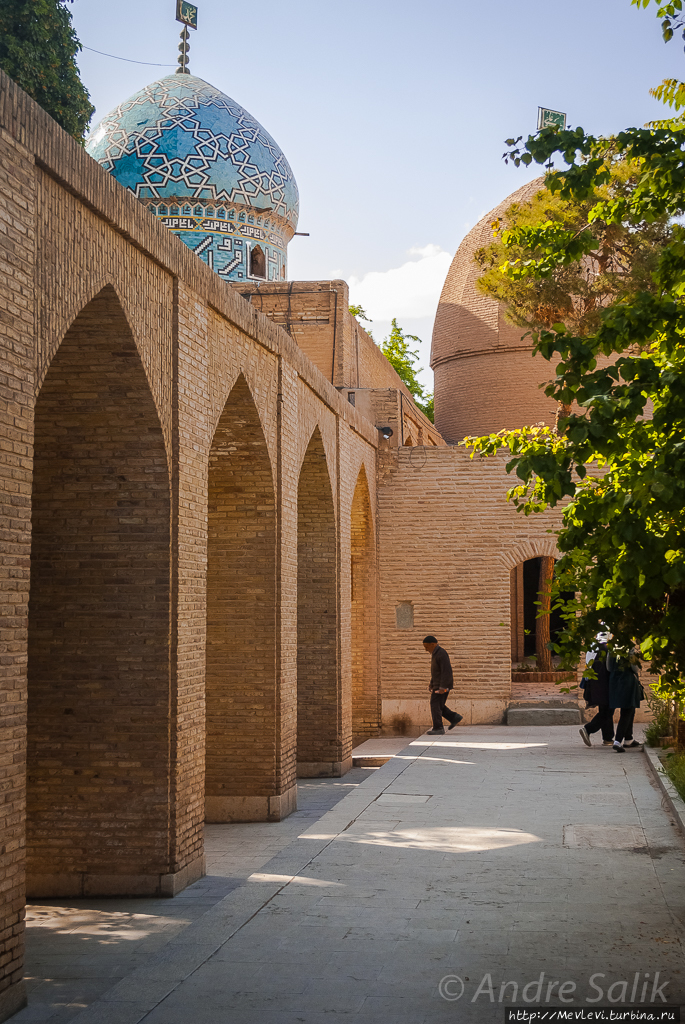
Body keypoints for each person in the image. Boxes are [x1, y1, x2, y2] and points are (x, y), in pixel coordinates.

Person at [423, 635, 463, 735]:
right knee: (438, 705)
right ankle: (454, 717)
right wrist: (432, 683)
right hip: (438, 685)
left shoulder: (441, 653)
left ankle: (438, 728)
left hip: (442, 686)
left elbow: (446, 671)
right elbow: (436, 672)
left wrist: (443, 687)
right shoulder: (436, 654)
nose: (426, 650)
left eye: (427, 647)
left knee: (435, 705)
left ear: (433, 644)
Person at [579, 637, 615, 747]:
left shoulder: (593, 647)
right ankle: (588, 729)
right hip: (605, 684)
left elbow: (588, 664)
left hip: (595, 683)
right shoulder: (606, 648)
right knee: (607, 711)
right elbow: (609, 667)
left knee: (605, 709)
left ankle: (608, 738)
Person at [607, 649, 643, 753]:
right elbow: (635, 669)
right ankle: (618, 741)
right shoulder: (630, 650)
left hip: (614, 681)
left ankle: (628, 739)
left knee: (629, 710)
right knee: (627, 711)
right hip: (628, 682)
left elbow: (609, 668)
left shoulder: (611, 650)